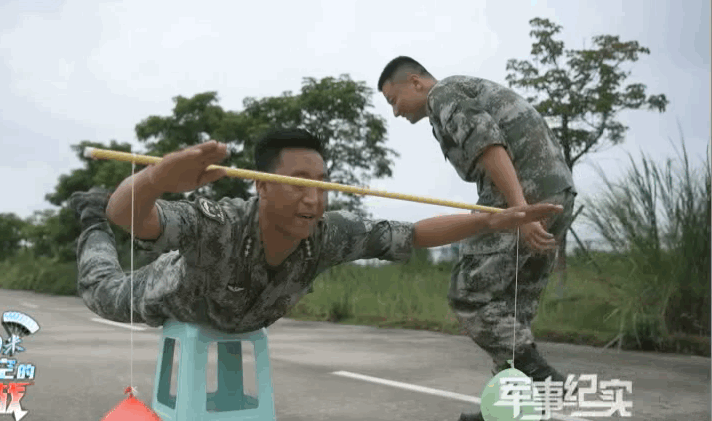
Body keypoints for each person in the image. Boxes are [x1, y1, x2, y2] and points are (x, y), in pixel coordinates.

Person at [69, 128, 562, 338]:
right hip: (173, 299)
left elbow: (412, 233)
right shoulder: (216, 220)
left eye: (321, 185)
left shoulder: (330, 234)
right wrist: (154, 181)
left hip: (244, 319)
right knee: (100, 289)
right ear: (261, 186)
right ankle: (84, 216)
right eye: (297, 184)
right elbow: (130, 217)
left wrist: (491, 220)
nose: (314, 198)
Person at [377, 56, 578, 421]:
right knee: (510, 311)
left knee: (469, 293)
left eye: (394, 100)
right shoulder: (455, 96)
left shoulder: (444, 94)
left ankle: (542, 380)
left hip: (524, 194)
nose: (395, 113)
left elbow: (489, 146)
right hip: (556, 194)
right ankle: (508, 411)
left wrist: (518, 211)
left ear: (416, 82)